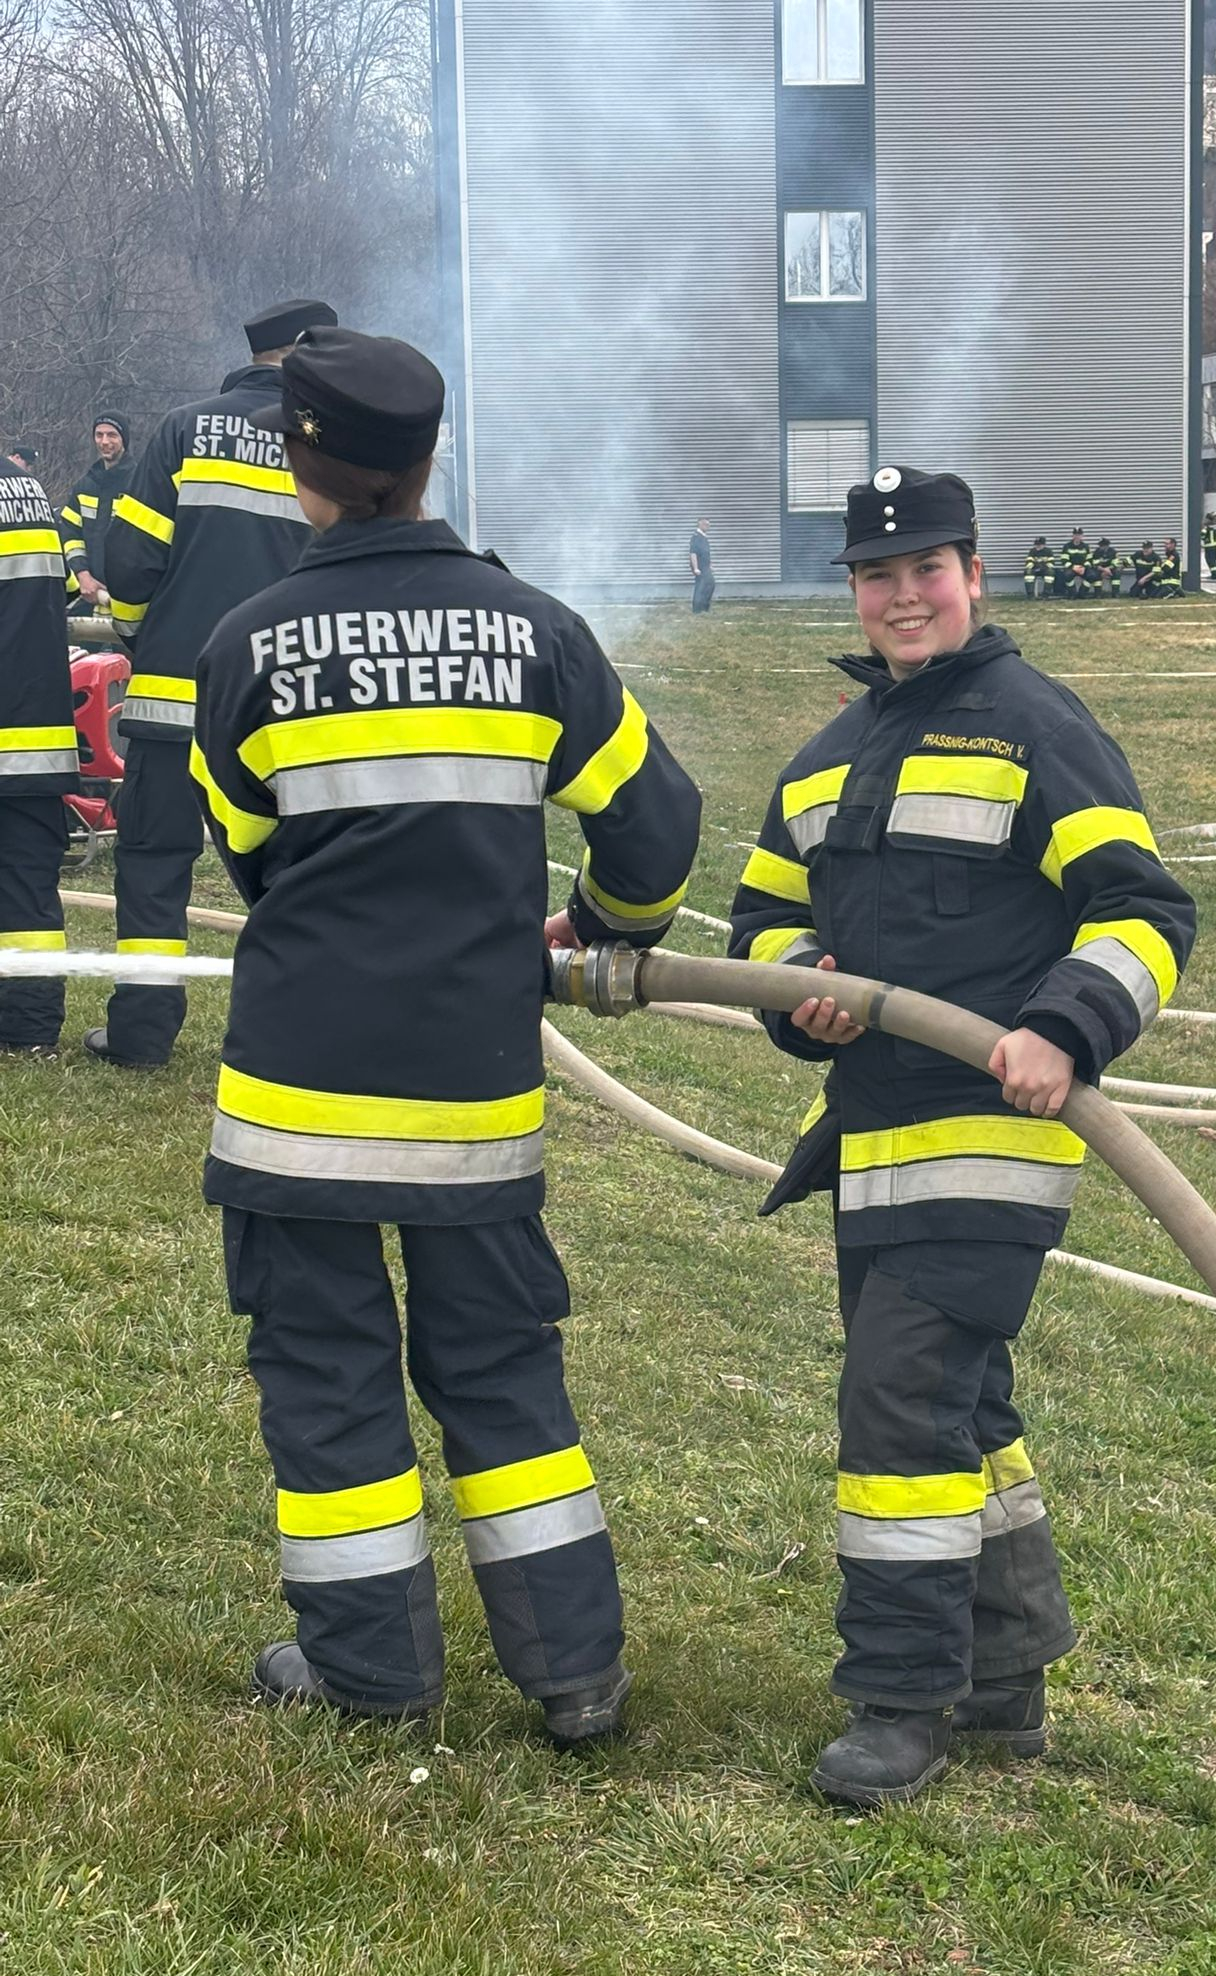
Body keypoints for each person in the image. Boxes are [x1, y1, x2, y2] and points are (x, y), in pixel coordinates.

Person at [192, 326, 702, 1729]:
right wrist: (596, 927)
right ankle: (574, 1672)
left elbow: (253, 855)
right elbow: (657, 826)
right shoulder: (538, 633)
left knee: (326, 1373)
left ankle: (373, 1674)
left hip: (299, 1098)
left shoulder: (247, 647)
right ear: (431, 461)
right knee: (500, 1365)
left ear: (299, 465)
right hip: (473, 1095)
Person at [729, 465, 1197, 1806]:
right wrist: (800, 987)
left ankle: (901, 1698)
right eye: (877, 575)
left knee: (898, 1403)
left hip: (991, 1137)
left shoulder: (1035, 727)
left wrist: (1065, 1025)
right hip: (870, 1143)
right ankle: (1006, 1671)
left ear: (973, 575)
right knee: (959, 1404)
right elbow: (757, 926)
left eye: (926, 569)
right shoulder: (828, 758)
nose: (902, 595)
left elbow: (1144, 910)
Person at [89, 296, 336, 1068]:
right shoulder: (330, 446)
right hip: (289, 711)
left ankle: (142, 1031)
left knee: (152, 865)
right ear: (308, 355)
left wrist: (145, 638)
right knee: (300, 870)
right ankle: (298, 1031)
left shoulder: (183, 430)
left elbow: (130, 566)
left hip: (173, 704)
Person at [0, 452, 80, 1054]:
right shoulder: (28, 490)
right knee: (27, 883)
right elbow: (68, 589)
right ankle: (29, 1028)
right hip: (37, 735)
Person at [58, 411, 133, 609]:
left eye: (112, 435)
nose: (104, 441)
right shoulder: (85, 486)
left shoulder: (140, 485)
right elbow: (69, 534)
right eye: (99, 435)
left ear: (124, 439)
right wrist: (83, 575)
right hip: (89, 596)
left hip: (128, 599)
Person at [689, 516, 715, 612]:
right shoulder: (696, 537)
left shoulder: (704, 537)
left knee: (708, 585)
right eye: (706, 524)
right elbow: (693, 553)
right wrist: (696, 568)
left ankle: (704, 607)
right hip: (700, 567)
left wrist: (710, 565)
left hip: (705, 566)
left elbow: (706, 553)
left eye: (708, 525)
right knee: (701, 587)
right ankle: (698, 609)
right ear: (700, 523)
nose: (707, 527)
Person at [1057, 526, 1091, 598]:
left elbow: (1089, 559)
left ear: (1082, 536)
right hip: (1071, 568)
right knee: (1066, 575)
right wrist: (1073, 567)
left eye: (1079, 535)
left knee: (1092, 575)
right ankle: (1072, 593)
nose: (1077, 537)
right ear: (1073, 536)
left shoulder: (1086, 547)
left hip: (1082, 568)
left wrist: (1084, 567)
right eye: (1075, 535)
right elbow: (1064, 560)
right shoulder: (1067, 546)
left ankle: (1082, 593)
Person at [1201, 514, 1216, 581]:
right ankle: (1214, 573)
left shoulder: (1207, 526)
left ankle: (1214, 575)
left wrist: (1203, 538)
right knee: (1213, 559)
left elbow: (1202, 535)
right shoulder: (1215, 526)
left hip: (1209, 545)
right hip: (1215, 544)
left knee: (1209, 560)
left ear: (1208, 519)